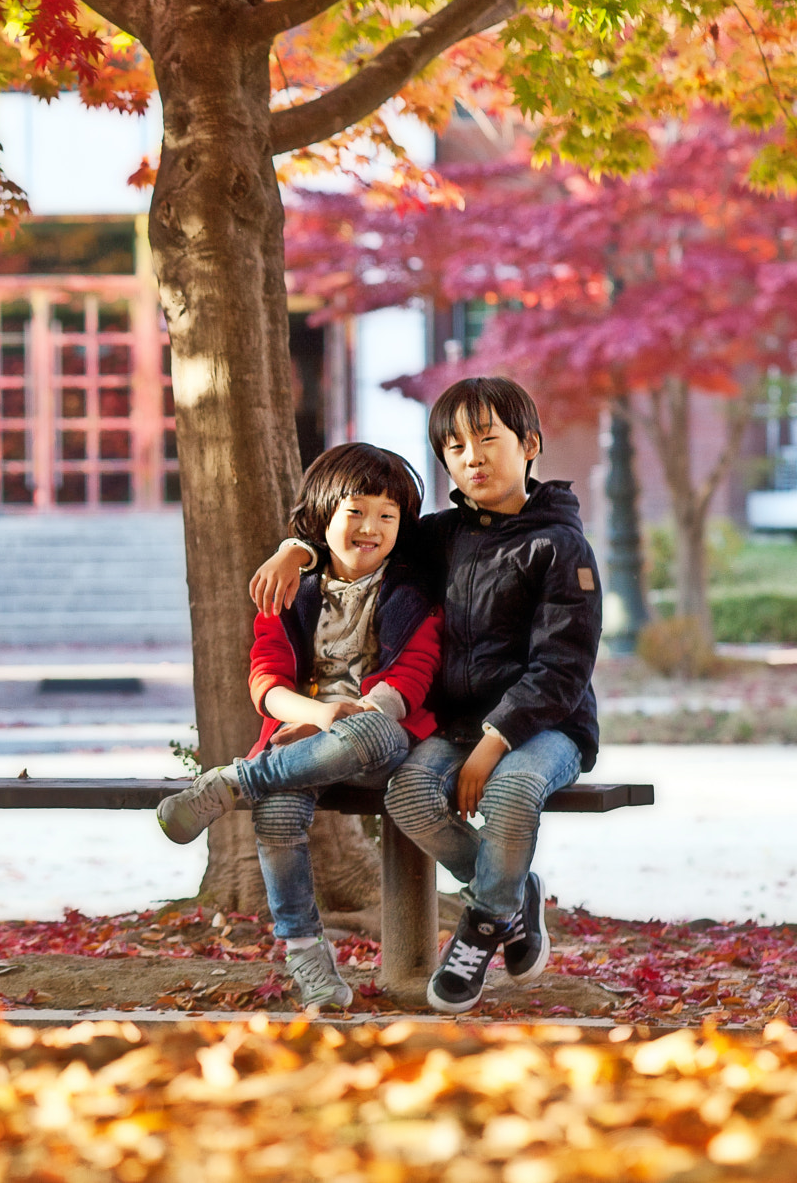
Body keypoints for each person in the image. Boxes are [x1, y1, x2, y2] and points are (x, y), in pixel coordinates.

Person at [249, 376, 602, 1014]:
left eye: (488, 440)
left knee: (514, 791)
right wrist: (292, 550)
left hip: (543, 726)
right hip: (456, 723)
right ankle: (515, 892)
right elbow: (357, 528)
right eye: (455, 447)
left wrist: (495, 744)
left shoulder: (560, 546)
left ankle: (484, 922)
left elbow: (563, 664)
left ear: (530, 445)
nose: (473, 457)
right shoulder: (439, 535)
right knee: (408, 794)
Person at [157, 442, 441, 1011]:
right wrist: (317, 716)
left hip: (379, 742)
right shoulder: (288, 592)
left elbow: (409, 682)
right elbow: (266, 683)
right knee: (280, 810)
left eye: (388, 516)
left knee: (376, 729)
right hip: (299, 745)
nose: (371, 527)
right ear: (323, 517)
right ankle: (306, 956)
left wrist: (346, 716)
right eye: (355, 511)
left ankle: (236, 781)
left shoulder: (415, 592)